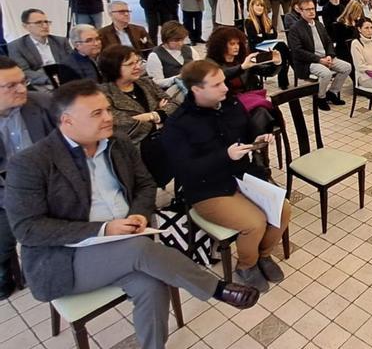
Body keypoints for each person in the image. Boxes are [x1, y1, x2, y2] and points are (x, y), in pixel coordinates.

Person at [5, 80, 259, 349]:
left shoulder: (118, 143)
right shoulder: (31, 162)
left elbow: (146, 185)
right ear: (67, 121)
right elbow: (28, 229)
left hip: (125, 239)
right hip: (67, 256)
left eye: (107, 110)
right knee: (138, 249)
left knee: (152, 285)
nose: (108, 118)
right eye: (97, 113)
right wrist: (103, 230)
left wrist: (139, 213)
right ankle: (216, 289)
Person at [162, 60, 292, 292]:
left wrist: (259, 139)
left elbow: (248, 131)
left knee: (283, 209)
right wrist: (225, 155)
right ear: (197, 90)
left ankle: (263, 255)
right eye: (217, 84)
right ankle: (246, 265)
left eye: (223, 81)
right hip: (206, 190)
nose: (225, 87)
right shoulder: (179, 124)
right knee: (254, 222)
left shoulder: (230, 103)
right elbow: (185, 170)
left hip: (242, 177)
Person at [0, 57, 54, 300]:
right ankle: (4, 267)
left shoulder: (43, 103)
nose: (22, 89)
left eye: (23, 81)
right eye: (11, 86)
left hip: (50, 182)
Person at [205, 27, 282, 137]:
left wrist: (277, 63)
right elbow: (220, 75)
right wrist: (241, 67)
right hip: (225, 104)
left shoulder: (241, 60)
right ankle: (256, 146)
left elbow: (266, 71)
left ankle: (254, 146)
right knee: (262, 114)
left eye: (238, 43)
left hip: (247, 101)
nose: (237, 47)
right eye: (232, 44)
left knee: (261, 112)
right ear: (220, 45)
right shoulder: (210, 63)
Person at [99, 45, 178, 145]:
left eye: (137, 61)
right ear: (113, 67)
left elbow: (175, 104)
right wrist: (159, 119)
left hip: (167, 136)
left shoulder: (146, 82)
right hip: (135, 147)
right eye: (130, 64)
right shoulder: (103, 93)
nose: (137, 67)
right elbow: (118, 125)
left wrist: (151, 116)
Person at [287, 0, 351, 111]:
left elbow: (328, 42)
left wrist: (330, 55)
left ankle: (332, 92)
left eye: (313, 9)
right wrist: (319, 60)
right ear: (300, 11)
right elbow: (298, 51)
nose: (311, 12)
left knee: (347, 67)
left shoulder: (319, 24)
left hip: (325, 57)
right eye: (307, 10)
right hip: (308, 62)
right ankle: (320, 98)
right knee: (326, 73)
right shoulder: (295, 28)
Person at [8, 8, 72, 91]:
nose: (45, 26)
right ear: (25, 26)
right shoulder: (16, 46)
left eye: (46, 22)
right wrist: (50, 79)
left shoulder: (61, 41)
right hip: (41, 82)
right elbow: (24, 72)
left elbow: (72, 62)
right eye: (39, 23)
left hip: (65, 78)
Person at [244, 0, 290, 89]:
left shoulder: (267, 20)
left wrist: (264, 36)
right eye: (257, 5)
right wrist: (266, 35)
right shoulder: (249, 22)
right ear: (252, 7)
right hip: (257, 49)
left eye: (261, 5)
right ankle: (283, 80)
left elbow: (274, 35)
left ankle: (284, 77)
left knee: (283, 50)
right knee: (282, 48)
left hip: (268, 45)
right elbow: (254, 39)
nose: (260, 7)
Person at [146, 22, 200, 89]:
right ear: (166, 39)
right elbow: (156, 82)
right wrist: (175, 78)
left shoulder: (190, 49)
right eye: (176, 40)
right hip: (172, 91)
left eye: (182, 40)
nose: (180, 43)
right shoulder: (155, 56)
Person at [330, 0, 363, 66]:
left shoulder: (356, 22)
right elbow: (340, 41)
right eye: (357, 13)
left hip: (355, 47)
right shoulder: (340, 24)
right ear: (352, 12)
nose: (359, 16)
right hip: (345, 50)